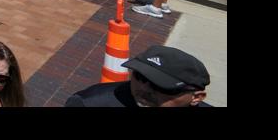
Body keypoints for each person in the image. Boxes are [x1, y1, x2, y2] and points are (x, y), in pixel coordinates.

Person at [64, 45, 210, 107]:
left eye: (160, 85)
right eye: (140, 77)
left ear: (197, 97)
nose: (144, 88)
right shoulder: (89, 104)